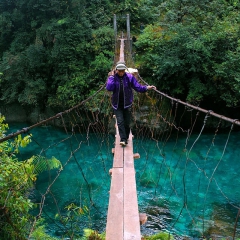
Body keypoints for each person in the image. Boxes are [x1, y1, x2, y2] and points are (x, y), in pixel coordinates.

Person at [106, 62, 156, 146]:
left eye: (122, 71)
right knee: (120, 121)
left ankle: (125, 136)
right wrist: (111, 77)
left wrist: (147, 87)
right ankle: (123, 140)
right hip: (117, 104)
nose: (121, 73)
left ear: (125, 70)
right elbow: (109, 88)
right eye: (119, 71)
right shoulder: (113, 78)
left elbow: (137, 87)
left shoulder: (129, 77)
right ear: (116, 70)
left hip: (127, 104)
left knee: (127, 122)